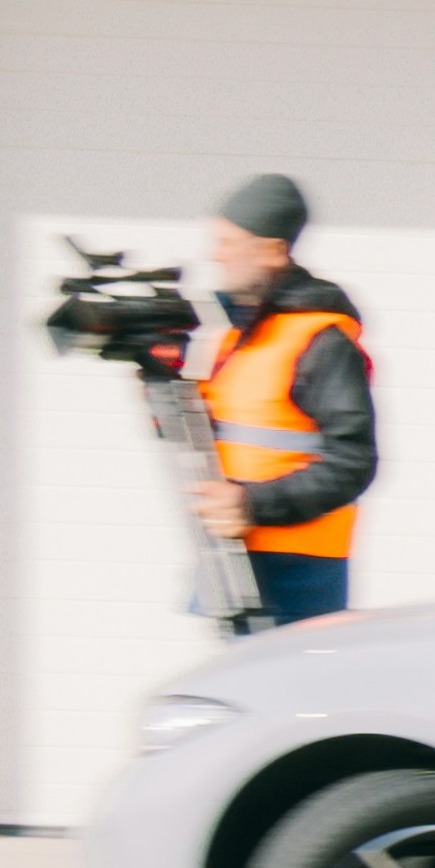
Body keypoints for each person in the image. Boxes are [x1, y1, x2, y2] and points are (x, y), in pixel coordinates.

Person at [177, 177, 373, 628]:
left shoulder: (320, 340)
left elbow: (353, 462)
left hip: (294, 577)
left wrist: (251, 504)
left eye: (228, 243)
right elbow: (224, 433)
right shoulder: (240, 334)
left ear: (272, 251)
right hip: (232, 560)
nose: (215, 254)